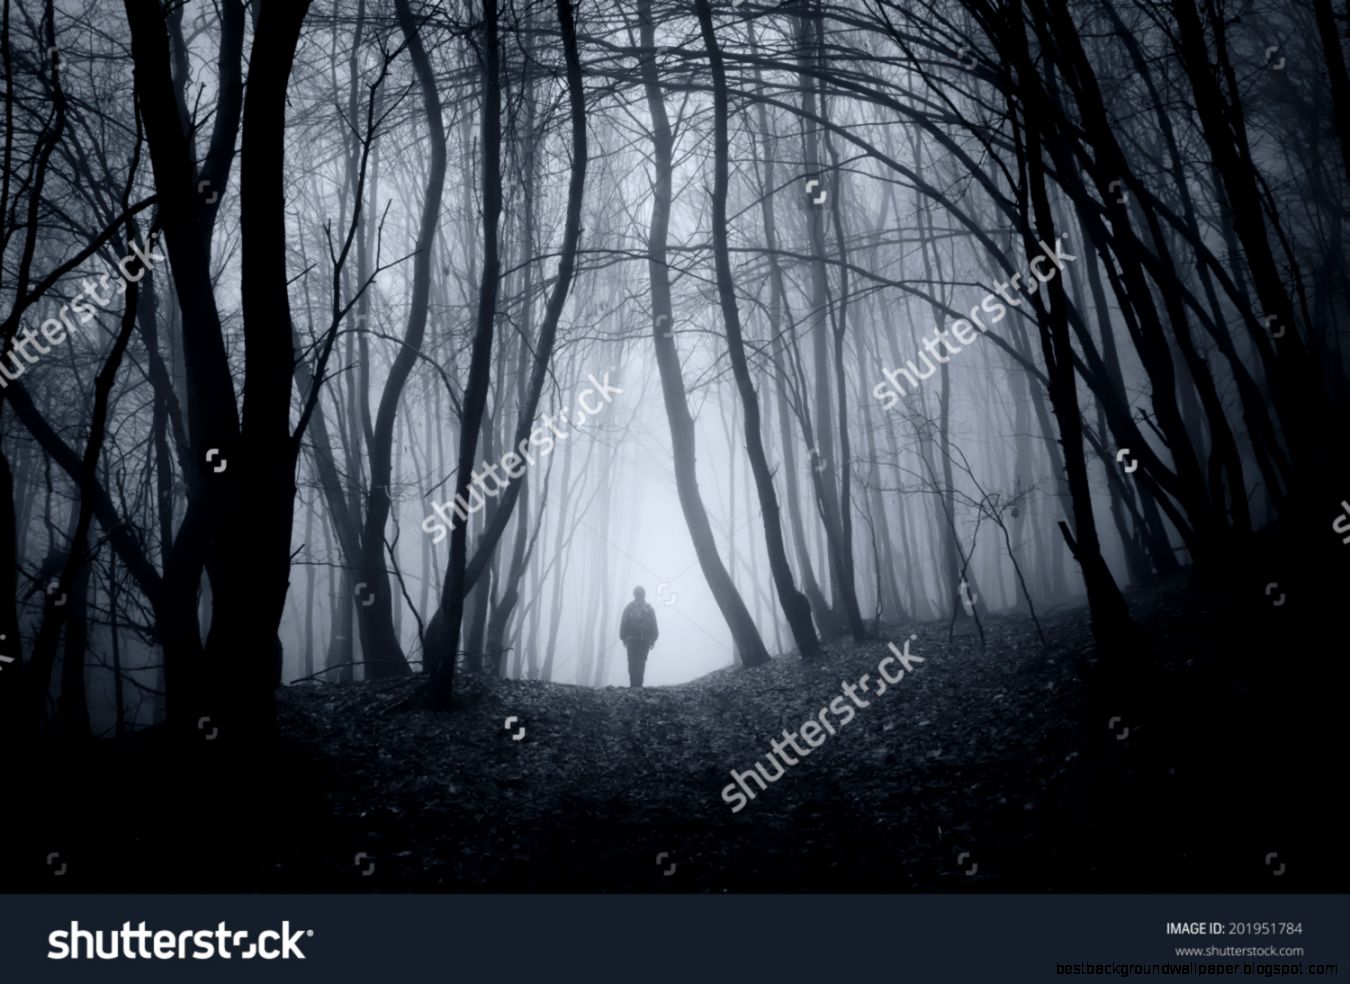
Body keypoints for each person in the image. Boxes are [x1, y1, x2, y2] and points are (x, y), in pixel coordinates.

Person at [619, 585, 659, 688]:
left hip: (631, 639)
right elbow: (654, 624)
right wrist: (653, 639)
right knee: (641, 661)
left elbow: (624, 622)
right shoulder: (649, 608)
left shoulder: (629, 607)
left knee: (632, 661)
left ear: (634, 594)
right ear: (644, 595)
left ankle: (633, 684)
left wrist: (623, 637)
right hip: (645, 639)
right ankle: (638, 685)